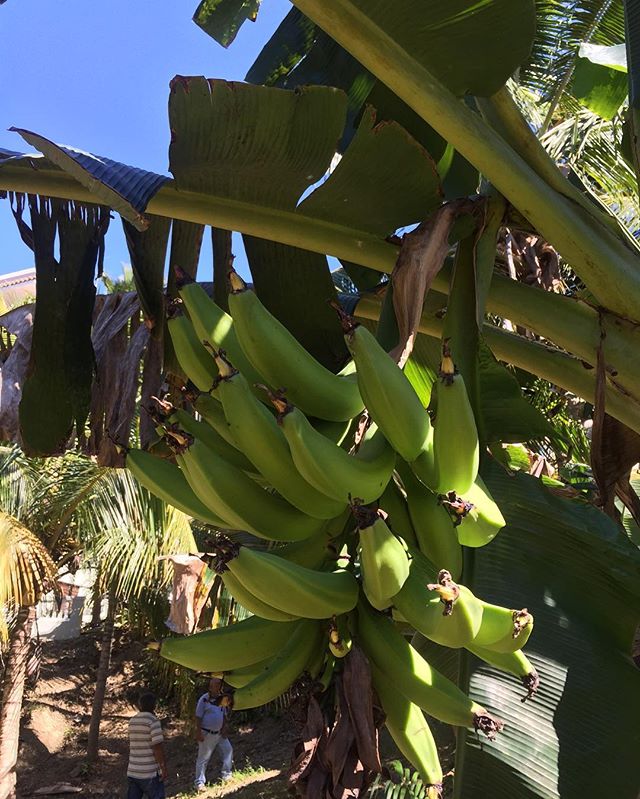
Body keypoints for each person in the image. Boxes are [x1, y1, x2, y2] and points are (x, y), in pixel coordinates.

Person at [194, 677, 233, 791]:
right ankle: (199, 783)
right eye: (215, 685)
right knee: (203, 758)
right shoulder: (204, 699)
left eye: (219, 685)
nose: (217, 687)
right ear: (210, 687)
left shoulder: (222, 699)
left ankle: (227, 775)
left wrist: (224, 727)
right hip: (207, 733)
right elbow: (198, 716)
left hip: (219, 733)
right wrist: (198, 732)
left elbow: (224, 714)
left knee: (228, 750)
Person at [126, 691, 168, 799]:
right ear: (153, 705)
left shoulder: (132, 721)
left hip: (133, 770)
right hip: (149, 772)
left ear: (140, 705)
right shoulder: (153, 721)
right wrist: (162, 767)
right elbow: (157, 748)